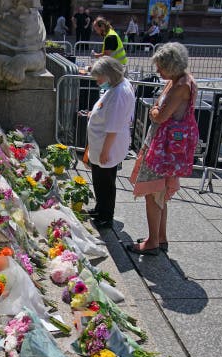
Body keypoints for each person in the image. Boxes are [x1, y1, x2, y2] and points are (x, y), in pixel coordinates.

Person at [128, 42, 198, 254]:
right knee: (160, 194)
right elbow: (159, 107)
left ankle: (152, 243)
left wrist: (155, 110)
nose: (157, 70)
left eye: (161, 66)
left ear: (173, 65)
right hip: (166, 147)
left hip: (162, 150)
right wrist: (157, 109)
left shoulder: (180, 85)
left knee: (153, 193)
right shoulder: (181, 80)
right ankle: (160, 237)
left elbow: (160, 115)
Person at [84, 57, 136, 229]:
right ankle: (100, 208)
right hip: (102, 144)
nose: (98, 81)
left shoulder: (120, 93)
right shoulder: (116, 86)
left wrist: (105, 151)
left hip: (108, 146)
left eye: (99, 77)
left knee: (105, 182)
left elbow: (113, 128)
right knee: (99, 180)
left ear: (109, 75)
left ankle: (106, 216)